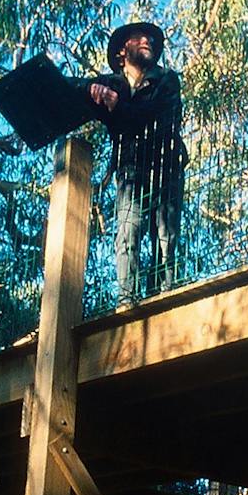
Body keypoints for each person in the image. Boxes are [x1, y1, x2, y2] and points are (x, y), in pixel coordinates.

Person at [87, 20, 185, 300]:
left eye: (151, 39)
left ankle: (163, 297)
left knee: (165, 239)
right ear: (121, 51)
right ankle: (126, 300)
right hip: (129, 172)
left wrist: (117, 105)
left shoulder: (166, 80)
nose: (148, 41)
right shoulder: (112, 83)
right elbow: (76, 90)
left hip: (166, 167)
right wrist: (90, 90)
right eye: (139, 37)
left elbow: (150, 115)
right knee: (127, 233)